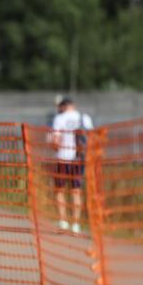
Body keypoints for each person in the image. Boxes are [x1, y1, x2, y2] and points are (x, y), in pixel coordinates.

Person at [50, 97, 94, 234]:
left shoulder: (59, 118)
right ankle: (76, 224)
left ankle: (63, 221)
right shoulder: (84, 118)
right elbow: (91, 138)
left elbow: (55, 141)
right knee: (76, 191)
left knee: (60, 190)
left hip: (63, 158)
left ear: (63, 106)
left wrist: (55, 147)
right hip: (79, 159)